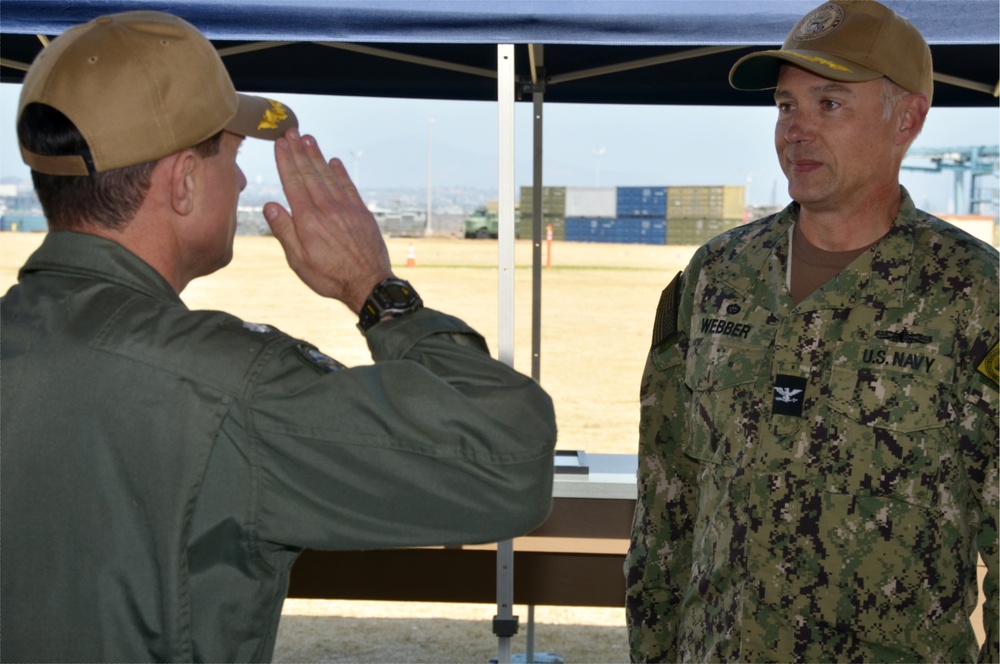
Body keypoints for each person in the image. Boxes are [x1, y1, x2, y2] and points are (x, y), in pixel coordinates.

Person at [0, 11, 557, 663]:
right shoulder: (226, 387)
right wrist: (378, 291)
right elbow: (509, 463)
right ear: (182, 182)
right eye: (231, 157)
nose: (240, 182)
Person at [625, 1, 998, 661]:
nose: (795, 130)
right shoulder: (717, 276)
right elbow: (666, 498)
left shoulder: (973, 296)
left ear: (906, 118)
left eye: (828, 105)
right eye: (785, 106)